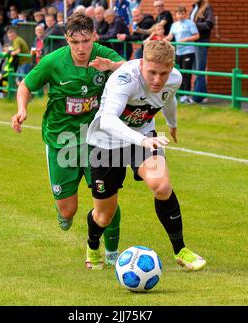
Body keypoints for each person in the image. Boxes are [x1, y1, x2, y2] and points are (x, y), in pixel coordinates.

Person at [11, 13, 125, 266]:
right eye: (75, 43)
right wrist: (22, 109)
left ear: (94, 36)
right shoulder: (53, 62)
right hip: (61, 140)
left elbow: (132, 70)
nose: (82, 48)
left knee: (108, 198)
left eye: (86, 41)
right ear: (67, 40)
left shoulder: (103, 54)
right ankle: (68, 215)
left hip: (97, 140)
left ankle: (112, 252)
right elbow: (25, 86)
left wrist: (112, 67)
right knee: (67, 211)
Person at [85, 40, 207, 271]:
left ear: (171, 68)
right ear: (142, 64)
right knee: (104, 216)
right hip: (106, 142)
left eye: (164, 73)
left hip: (144, 137)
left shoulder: (174, 78)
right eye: (152, 72)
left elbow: (168, 99)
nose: (157, 80)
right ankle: (92, 245)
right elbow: (108, 120)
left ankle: (181, 250)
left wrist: (172, 124)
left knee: (162, 186)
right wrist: (142, 139)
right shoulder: (124, 79)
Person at [165, 6, 199, 104]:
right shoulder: (174, 25)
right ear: (176, 14)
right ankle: (180, 94)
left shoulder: (190, 23)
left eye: (182, 13)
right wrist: (163, 40)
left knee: (186, 74)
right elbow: (170, 36)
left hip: (188, 51)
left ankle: (186, 95)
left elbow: (197, 36)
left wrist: (186, 40)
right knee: (178, 73)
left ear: (185, 13)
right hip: (178, 52)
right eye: (178, 13)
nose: (180, 15)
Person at [189, 0, 214, 103]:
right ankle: (202, 95)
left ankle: (197, 97)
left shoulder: (208, 8)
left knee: (199, 69)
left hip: (201, 42)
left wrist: (194, 25)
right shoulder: (194, 8)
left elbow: (209, 24)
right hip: (193, 42)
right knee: (197, 69)